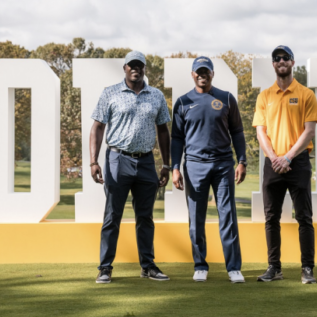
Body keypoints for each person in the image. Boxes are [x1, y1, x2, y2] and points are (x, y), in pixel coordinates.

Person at [89, 50, 172, 284]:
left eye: (140, 65)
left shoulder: (156, 96)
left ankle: (148, 266)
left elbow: (163, 130)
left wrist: (166, 164)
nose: (135, 68)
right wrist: (94, 161)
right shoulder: (110, 93)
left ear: (145, 68)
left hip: (146, 161)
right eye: (131, 65)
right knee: (112, 215)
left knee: (145, 217)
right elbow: (97, 128)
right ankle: (105, 267)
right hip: (117, 159)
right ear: (124, 68)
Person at [171, 57, 247, 283]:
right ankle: (200, 265)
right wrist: (175, 168)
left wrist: (241, 161)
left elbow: (238, 133)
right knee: (196, 218)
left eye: (206, 71)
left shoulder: (226, 99)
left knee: (228, 216)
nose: (202, 75)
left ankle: (233, 268)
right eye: (198, 71)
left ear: (212, 73)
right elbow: (176, 139)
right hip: (194, 166)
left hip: (223, 165)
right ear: (192, 74)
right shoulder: (183, 102)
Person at [252, 45, 317, 284]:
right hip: (273, 162)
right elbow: (261, 133)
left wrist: (288, 157)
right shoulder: (264, 96)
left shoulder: (306, 94)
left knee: (304, 217)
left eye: (285, 58)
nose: (281, 61)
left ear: (292, 62)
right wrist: (274, 158)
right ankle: (274, 268)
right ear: (273, 64)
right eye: (276, 58)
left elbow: (309, 131)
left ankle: (307, 269)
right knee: (271, 218)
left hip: (297, 162)